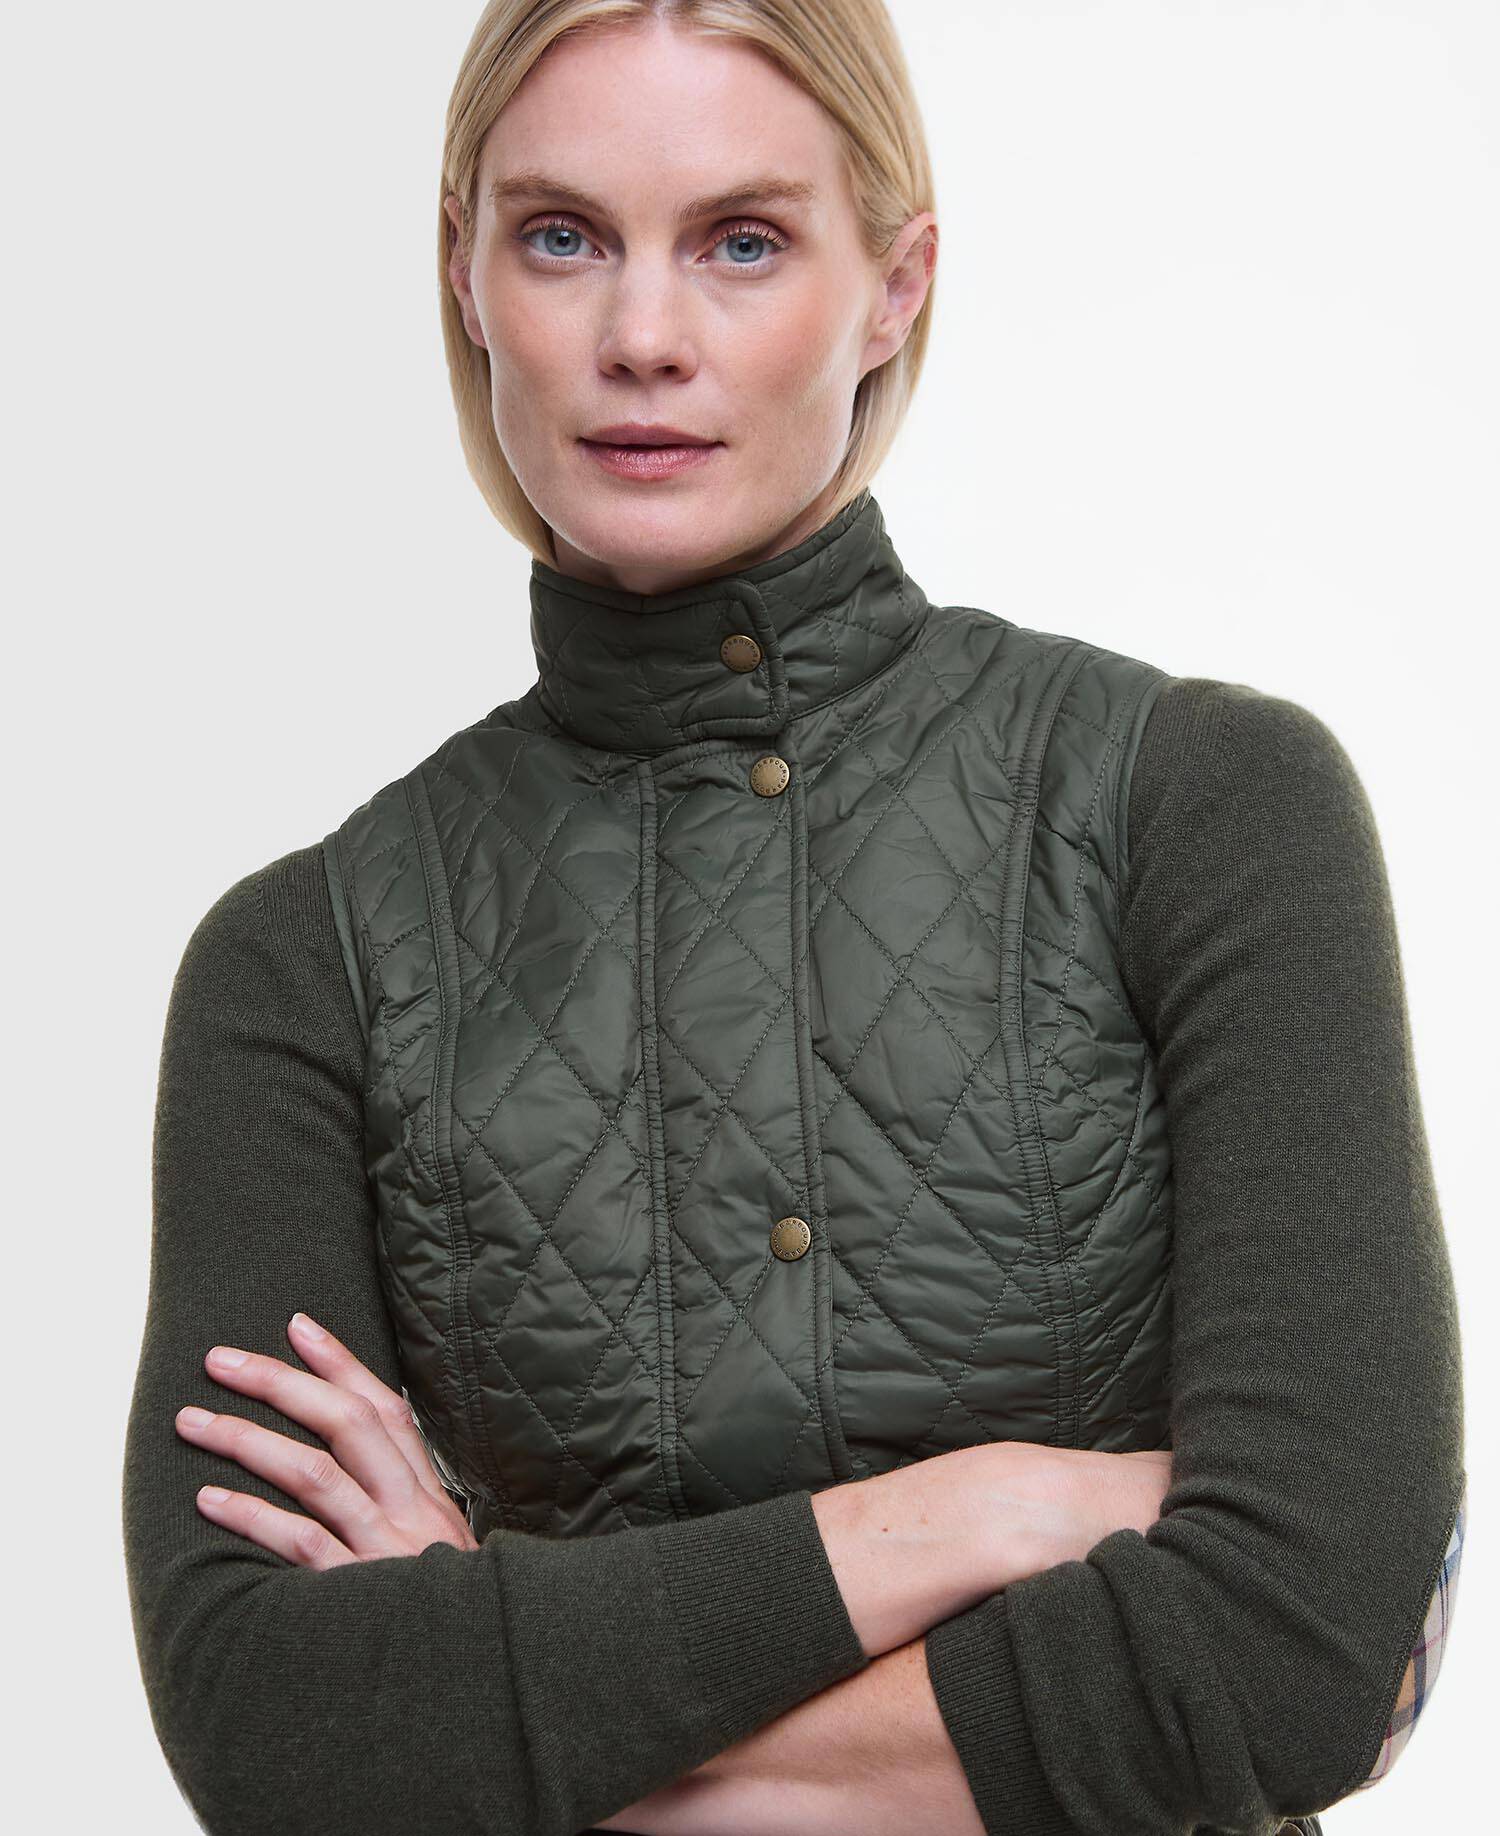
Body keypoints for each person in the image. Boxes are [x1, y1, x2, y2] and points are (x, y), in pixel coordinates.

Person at [121, 4, 1466, 1834]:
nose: (642, 335)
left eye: (742, 242)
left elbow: (1307, 1647)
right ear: (464, 275)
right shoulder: (307, 967)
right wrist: (980, 1511)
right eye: (561, 237)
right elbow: (272, 1728)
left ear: (895, 286)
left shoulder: (1204, 807)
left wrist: (508, 1715)